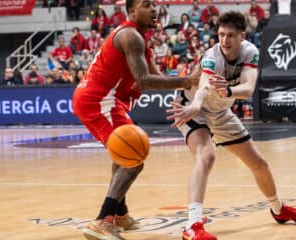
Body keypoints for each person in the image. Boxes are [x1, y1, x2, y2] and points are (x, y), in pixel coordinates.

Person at [166, 11, 296, 240]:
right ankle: (192, 225)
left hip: (220, 110)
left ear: (242, 36)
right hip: (192, 108)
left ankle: (279, 210)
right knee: (207, 155)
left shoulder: (250, 52)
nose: (225, 40)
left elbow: (248, 88)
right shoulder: (212, 56)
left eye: (231, 36)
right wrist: (196, 105)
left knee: (259, 163)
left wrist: (227, 90)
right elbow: (204, 85)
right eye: (221, 34)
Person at [72, 0, 200, 239]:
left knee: (124, 155)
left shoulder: (138, 38)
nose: (153, 9)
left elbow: (157, 78)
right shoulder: (131, 36)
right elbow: (144, 80)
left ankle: (120, 215)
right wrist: (188, 80)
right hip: (99, 100)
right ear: (131, 11)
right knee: (134, 158)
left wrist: (188, 81)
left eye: (154, 4)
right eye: (146, 4)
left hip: (104, 100)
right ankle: (102, 220)